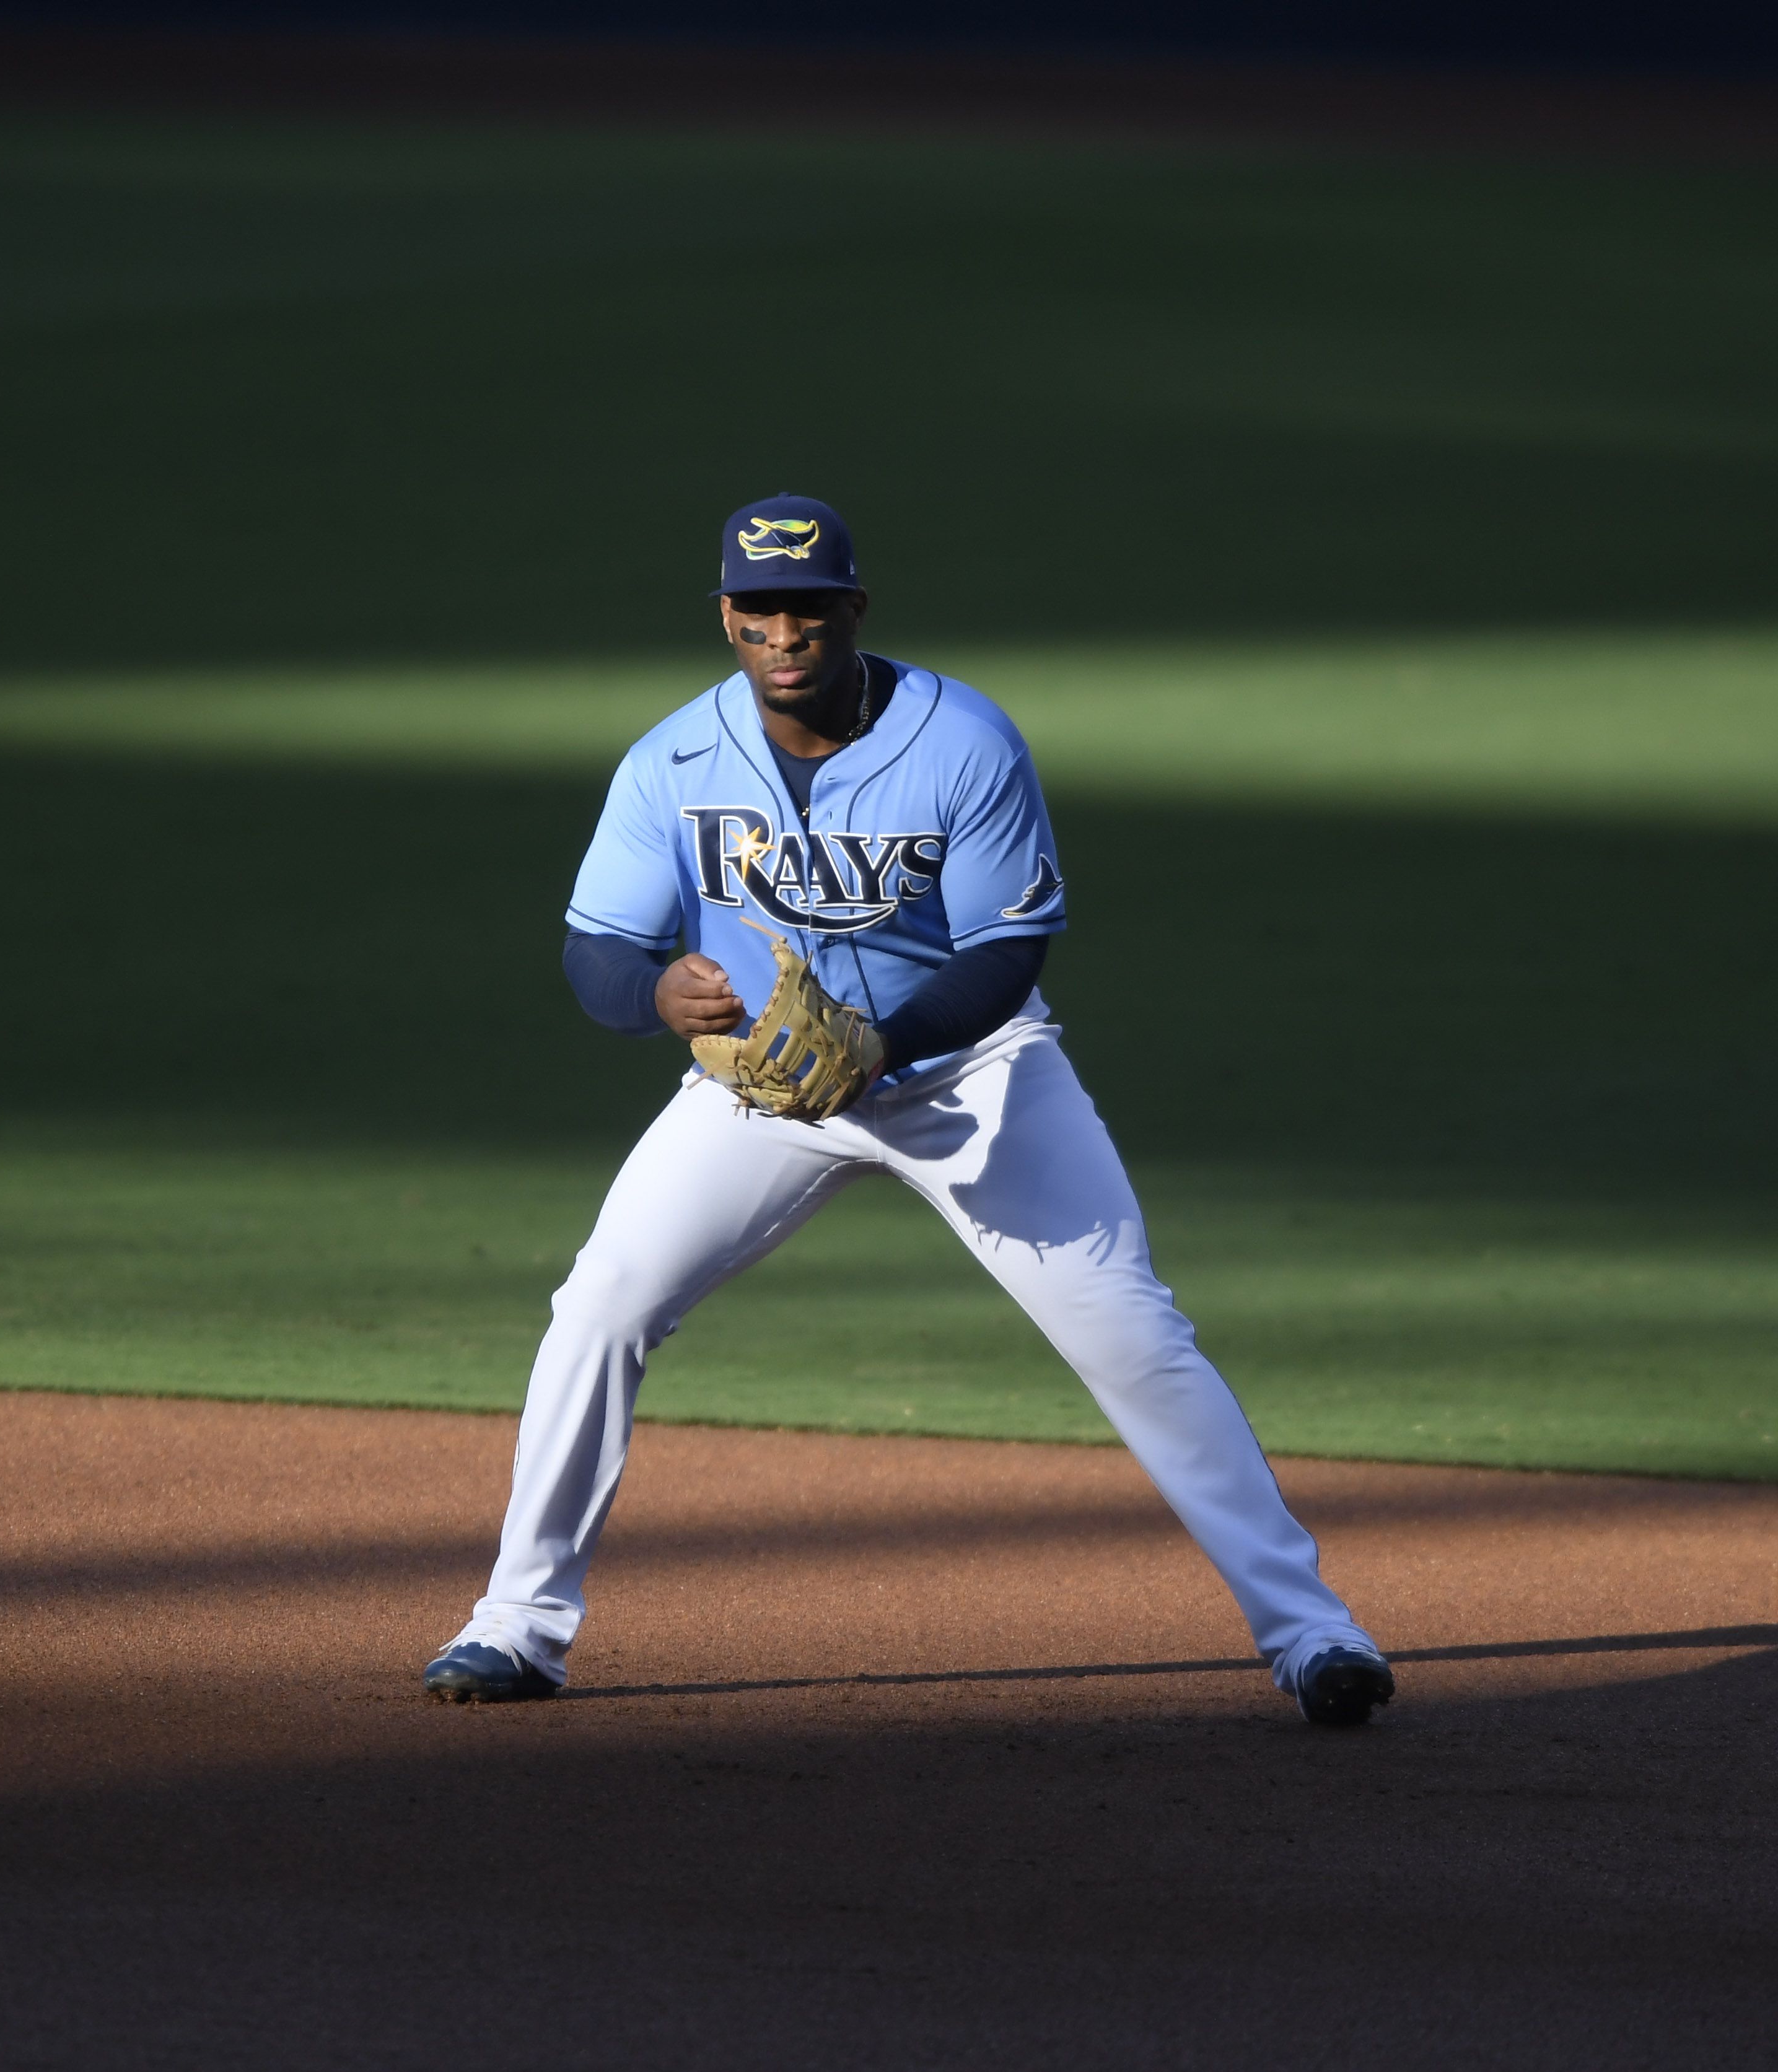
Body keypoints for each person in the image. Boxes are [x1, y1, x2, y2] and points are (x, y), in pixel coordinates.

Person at [422, 495, 1394, 1725]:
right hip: (760, 1095)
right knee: (601, 1305)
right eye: (762, 609)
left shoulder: (963, 741)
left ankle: (1313, 1634)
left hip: (973, 1079)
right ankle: (516, 1624)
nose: (786, 632)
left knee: (1134, 1336)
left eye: (810, 608)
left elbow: (1010, 950)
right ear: (727, 615)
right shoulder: (670, 759)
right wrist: (655, 990)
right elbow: (596, 948)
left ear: (853, 611)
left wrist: (888, 1041)